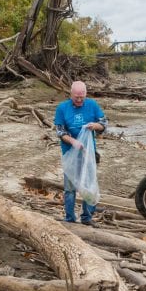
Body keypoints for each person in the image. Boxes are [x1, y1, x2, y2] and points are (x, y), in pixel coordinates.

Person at [54, 80, 107, 225]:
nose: (79, 100)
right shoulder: (62, 108)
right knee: (70, 188)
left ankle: (87, 217)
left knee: (89, 184)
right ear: (71, 93)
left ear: (85, 94)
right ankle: (70, 218)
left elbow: (104, 124)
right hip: (69, 152)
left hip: (88, 153)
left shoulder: (92, 105)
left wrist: (95, 125)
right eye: (76, 97)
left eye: (82, 97)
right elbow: (60, 131)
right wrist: (73, 141)